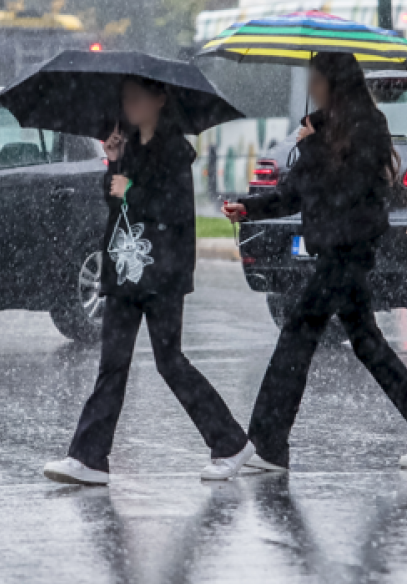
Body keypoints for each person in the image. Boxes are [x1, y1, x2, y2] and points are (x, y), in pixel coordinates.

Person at [223, 52, 407, 471]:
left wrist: (310, 144)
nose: (311, 87)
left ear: (336, 82)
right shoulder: (324, 128)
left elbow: (348, 191)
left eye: (317, 79)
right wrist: (249, 208)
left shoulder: (368, 127)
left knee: (296, 337)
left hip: (348, 252)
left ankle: (268, 443)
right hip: (334, 252)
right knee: (367, 344)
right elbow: (295, 193)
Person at [44, 76, 255, 486]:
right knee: (112, 365)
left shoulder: (174, 151)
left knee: (170, 362)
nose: (129, 105)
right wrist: (114, 163)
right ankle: (89, 458)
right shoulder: (128, 146)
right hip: (126, 270)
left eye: (137, 98)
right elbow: (117, 204)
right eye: (125, 98)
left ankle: (229, 442)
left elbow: (171, 212)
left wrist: (131, 190)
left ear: (160, 99)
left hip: (162, 273)